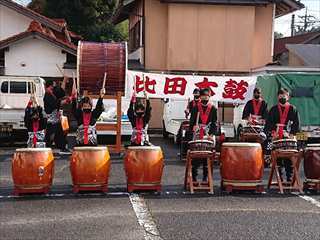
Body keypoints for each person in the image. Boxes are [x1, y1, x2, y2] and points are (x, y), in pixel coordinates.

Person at [265, 88, 300, 182]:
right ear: (277, 97)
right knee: (278, 159)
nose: (282, 97)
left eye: (284, 96)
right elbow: (268, 124)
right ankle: (279, 177)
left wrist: (292, 134)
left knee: (289, 158)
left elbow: (297, 124)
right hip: (277, 138)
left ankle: (289, 177)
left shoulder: (293, 109)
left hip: (289, 138)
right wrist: (273, 132)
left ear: (288, 97)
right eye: (280, 96)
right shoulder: (273, 109)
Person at [189, 88, 218, 182]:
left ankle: (206, 177)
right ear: (200, 97)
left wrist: (211, 134)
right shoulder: (195, 108)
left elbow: (215, 123)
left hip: (208, 134)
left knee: (208, 156)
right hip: (198, 133)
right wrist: (193, 127)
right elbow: (191, 122)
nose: (205, 98)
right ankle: (194, 177)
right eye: (203, 96)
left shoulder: (213, 108)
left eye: (207, 96)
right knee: (196, 155)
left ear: (209, 97)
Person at [43, 77, 71, 154]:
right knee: (51, 134)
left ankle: (62, 148)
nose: (53, 88)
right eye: (52, 87)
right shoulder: (47, 95)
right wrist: (66, 101)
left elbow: (61, 92)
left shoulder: (52, 93)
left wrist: (64, 80)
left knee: (59, 133)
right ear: (49, 86)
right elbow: (55, 104)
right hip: (51, 119)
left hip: (56, 118)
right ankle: (46, 148)